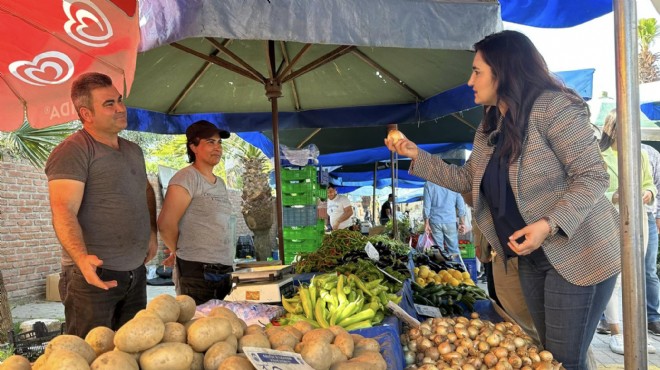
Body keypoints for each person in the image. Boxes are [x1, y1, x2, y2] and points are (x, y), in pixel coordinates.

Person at [385, 30, 619, 369]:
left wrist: (548, 224)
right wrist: (414, 153)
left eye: (477, 71)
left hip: (579, 251)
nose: (469, 80)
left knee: (564, 359)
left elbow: (593, 175)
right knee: (546, 354)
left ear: (505, 70)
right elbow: (467, 180)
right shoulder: (490, 126)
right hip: (531, 257)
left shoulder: (554, 108)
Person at [45, 72, 157, 338]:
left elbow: (146, 190)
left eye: (119, 100)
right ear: (86, 113)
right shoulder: (73, 150)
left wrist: (152, 233)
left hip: (135, 274)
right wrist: (82, 260)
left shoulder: (133, 150)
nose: (120, 108)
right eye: (109, 104)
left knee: (130, 353)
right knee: (91, 356)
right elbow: (63, 209)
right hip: (92, 277)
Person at [157, 120, 234, 305]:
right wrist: (180, 251)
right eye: (210, 142)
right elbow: (166, 224)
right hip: (198, 273)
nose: (217, 148)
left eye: (219, 143)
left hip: (224, 270)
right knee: (199, 329)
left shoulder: (220, 182)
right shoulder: (186, 178)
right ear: (193, 147)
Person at [598, 110, 656, 354]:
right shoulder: (599, 156)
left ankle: (635, 332)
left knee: (636, 274)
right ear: (612, 129)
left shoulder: (640, 154)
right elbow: (594, 190)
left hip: (639, 217)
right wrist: (614, 196)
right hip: (610, 218)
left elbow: (649, 184)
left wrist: (648, 193)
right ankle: (616, 332)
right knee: (614, 275)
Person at [641, 143, 660, 336]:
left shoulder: (649, 153)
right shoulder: (602, 151)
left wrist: (649, 193)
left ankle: (653, 318)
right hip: (615, 215)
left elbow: (656, 186)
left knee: (649, 270)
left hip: (646, 216)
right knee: (610, 272)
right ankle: (607, 320)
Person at [422, 181, 466, 259]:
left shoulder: (429, 184)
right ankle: (456, 268)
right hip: (450, 222)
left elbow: (426, 206)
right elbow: (460, 205)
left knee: (437, 250)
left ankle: (441, 268)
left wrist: (426, 223)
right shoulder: (454, 183)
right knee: (453, 250)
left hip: (435, 222)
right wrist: (462, 223)